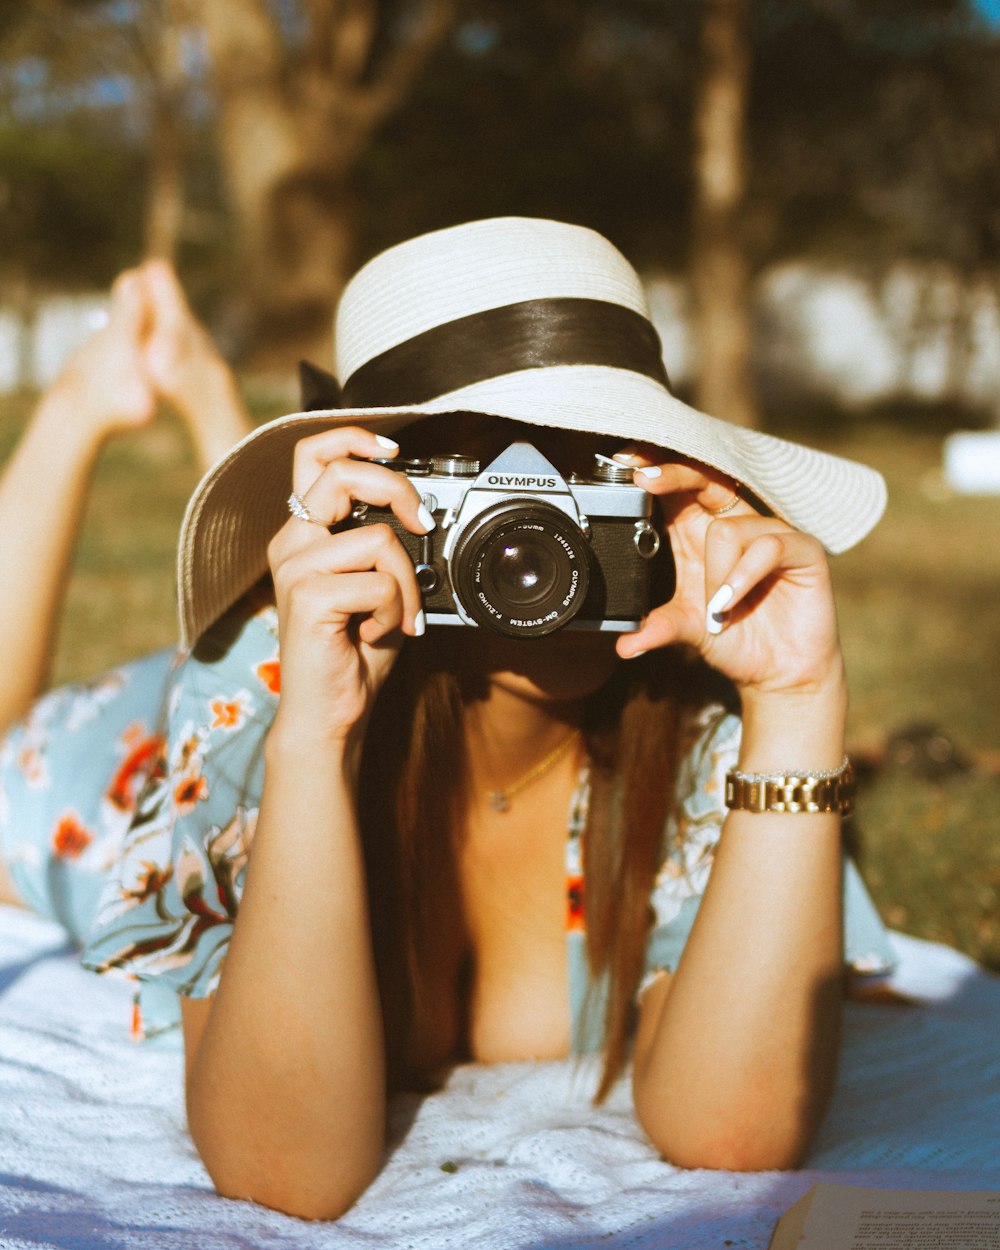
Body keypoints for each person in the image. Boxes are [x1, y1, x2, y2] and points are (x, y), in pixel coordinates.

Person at [0, 218, 896, 1222]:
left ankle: (218, 410)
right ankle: (81, 408)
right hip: (124, 754)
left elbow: (734, 1135)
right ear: (389, 501)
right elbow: (281, 1171)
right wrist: (313, 735)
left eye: (584, 476)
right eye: (482, 493)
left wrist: (795, 698)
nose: (535, 541)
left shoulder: (691, 703)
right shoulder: (269, 677)